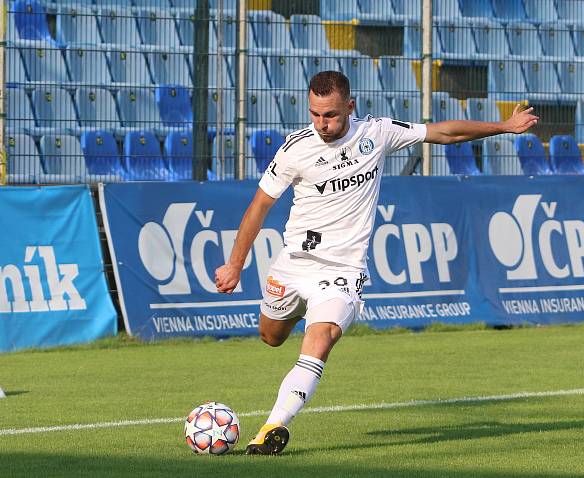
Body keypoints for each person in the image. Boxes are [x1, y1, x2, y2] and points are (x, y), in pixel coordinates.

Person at [214, 71, 538, 455]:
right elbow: (259, 206)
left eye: (331, 115)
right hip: (294, 263)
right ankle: (299, 317)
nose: (322, 124)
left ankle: (272, 428)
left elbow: (444, 133)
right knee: (271, 337)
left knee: (321, 336)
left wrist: (504, 126)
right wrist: (235, 264)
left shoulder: (377, 133)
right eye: (315, 114)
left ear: (350, 106)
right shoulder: (295, 149)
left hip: (342, 271)